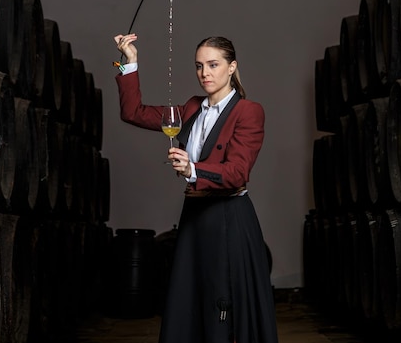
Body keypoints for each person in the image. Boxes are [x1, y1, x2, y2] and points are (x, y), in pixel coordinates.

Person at [113, 33, 279, 343]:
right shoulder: (191, 108)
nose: (205, 73)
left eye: (213, 65)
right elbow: (133, 113)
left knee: (223, 303)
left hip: (228, 218)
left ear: (232, 67)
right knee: (188, 303)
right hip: (194, 217)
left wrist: (192, 168)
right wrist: (130, 62)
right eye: (199, 66)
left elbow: (238, 172)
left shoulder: (248, 111)